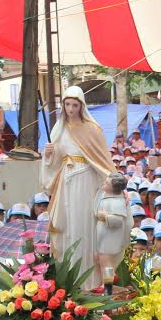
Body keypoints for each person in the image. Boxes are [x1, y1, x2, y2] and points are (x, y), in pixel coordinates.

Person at [42, 86, 115, 285]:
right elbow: (55, 161)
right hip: (66, 182)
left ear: (81, 106)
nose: (71, 109)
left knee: (86, 226)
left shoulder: (93, 129)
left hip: (87, 182)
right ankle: (68, 280)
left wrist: (114, 186)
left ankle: (90, 282)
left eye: (75, 105)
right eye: (67, 104)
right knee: (67, 227)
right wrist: (49, 153)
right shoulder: (59, 128)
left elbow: (103, 161)